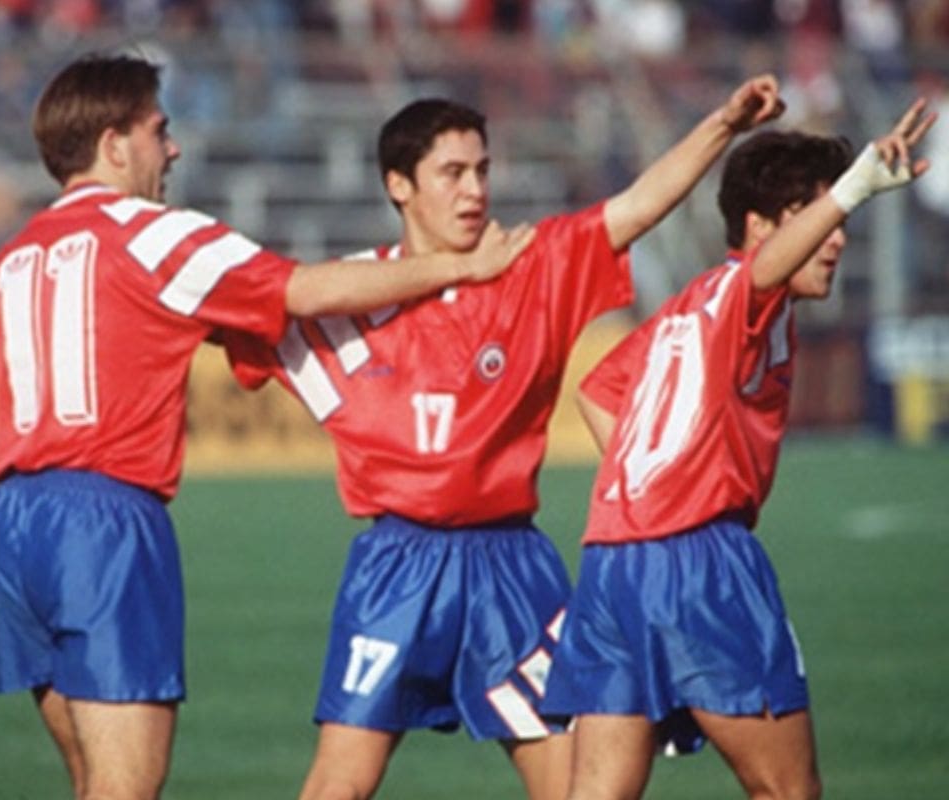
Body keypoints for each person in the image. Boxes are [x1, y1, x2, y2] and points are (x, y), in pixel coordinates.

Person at [0, 52, 535, 800]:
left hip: (14, 533)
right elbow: (306, 291)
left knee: (91, 782)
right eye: (161, 130)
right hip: (105, 525)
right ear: (115, 145)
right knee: (125, 788)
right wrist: (460, 270)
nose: (174, 147)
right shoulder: (156, 235)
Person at [219, 76, 786, 799]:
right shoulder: (346, 293)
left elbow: (638, 207)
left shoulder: (534, 264)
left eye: (482, 170)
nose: (474, 190)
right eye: (452, 173)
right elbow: (225, 305)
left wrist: (723, 123)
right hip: (398, 565)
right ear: (399, 186)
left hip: (513, 567)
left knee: (575, 782)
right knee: (340, 784)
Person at [540, 99, 935, 800]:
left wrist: (648, 491)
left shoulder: (687, 307)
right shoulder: (739, 293)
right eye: (817, 220)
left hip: (613, 562)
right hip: (699, 567)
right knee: (787, 790)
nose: (837, 239)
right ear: (758, 228)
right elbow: (761, 271)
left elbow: (599, 392)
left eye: (838, 221)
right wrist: (857, 186)